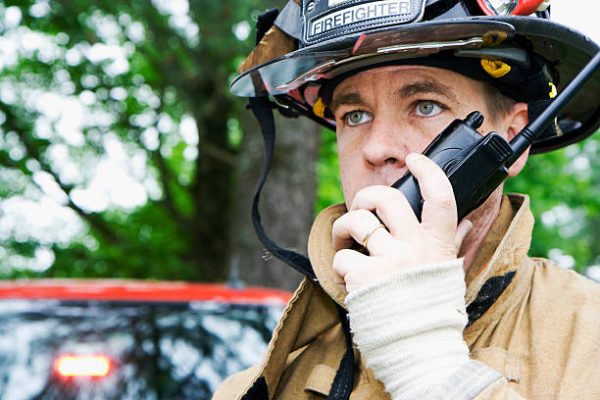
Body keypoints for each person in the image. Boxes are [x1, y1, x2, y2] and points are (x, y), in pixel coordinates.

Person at [215, 1, 600, 398]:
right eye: (355, 115)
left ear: (512, 141)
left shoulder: (588, 340)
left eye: (425, 106)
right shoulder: (247, 389)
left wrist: (426, 362)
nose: (377, 148)